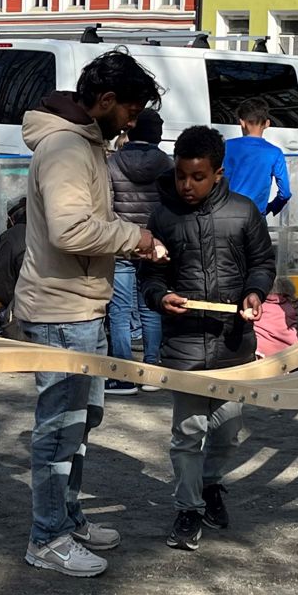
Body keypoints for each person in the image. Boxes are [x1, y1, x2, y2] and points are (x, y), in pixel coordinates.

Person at [18, 49, 163, 578]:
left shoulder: (86, 145)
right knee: (59, 430)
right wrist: (137, 238)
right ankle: (46, 538)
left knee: (80, 424)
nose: (134, 120)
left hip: (82, 307)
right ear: (104, 101)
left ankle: (67, 517)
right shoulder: (65, 150)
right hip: (60, 311)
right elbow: (71, 230)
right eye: (130, 110)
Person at [140, 125, 275, 551]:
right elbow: (151, 274)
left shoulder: (244, 212)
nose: (187, 185)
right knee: (188, 431)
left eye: (197, 177)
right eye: (181, 175)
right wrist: (161, 297)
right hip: (183, 348)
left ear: (217, 173)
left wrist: (255, 291)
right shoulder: (163, 217)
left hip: (234, 345)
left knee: (227, 429)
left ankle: (212, 484)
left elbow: (263, 263)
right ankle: (188, 507)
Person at [104, 108, 173, 396]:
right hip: (155, 246)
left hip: (122, 246)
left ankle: (123, 375)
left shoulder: (112, 163)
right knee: (151, 307)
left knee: (119, 311)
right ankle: (152, 369)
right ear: (157, 134)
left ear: (130, 131)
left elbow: (106, 207)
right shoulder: (167, 165)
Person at [222, 98, 292, 215]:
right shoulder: (275, 153)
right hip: (256, 216)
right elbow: (285, 192)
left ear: (242, 122)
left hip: (228, 214)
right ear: (267, 124)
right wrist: (272, 207)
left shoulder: (227, 147)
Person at [0, 197, 27, 340]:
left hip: (21, 308)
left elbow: (3, 283)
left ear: (11, 218)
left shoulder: (10, 237)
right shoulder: (47, 230)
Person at [255, 276, 298, 358]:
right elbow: (293, 328)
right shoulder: (287, 309)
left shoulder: (259, 306)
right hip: (286, 352)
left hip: (261, 351)